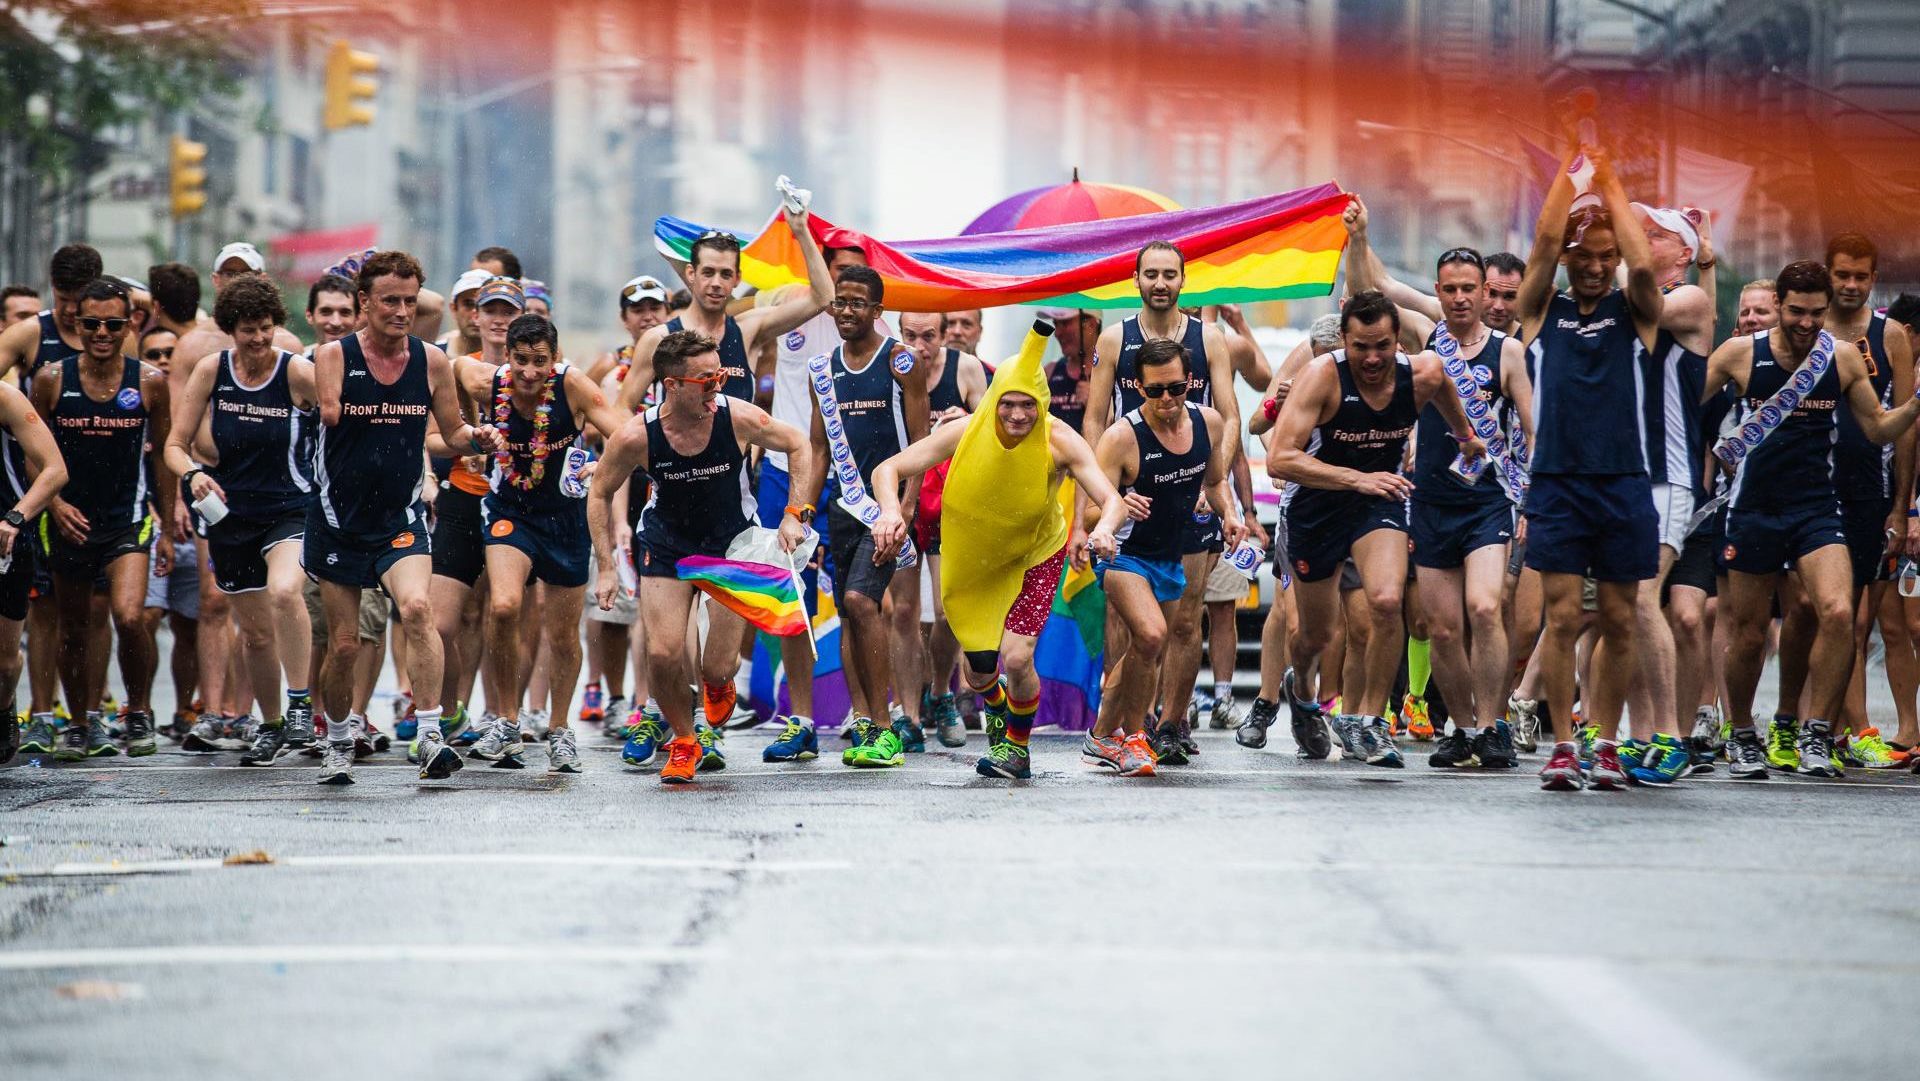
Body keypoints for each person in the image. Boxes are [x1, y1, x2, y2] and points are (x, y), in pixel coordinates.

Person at [869, 319, 1139, 779]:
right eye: (1007, 405)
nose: (1016, 416)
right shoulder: (967, 430)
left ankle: (1015, 748)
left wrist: (1105, 528)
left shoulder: (1060, 440)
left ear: (1042, 404)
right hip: (975, 555)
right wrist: (890, 511)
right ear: (994, 402)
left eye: (1027, 406)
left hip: (1036, 552)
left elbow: (1109, 497)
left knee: (1016, 657)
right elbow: (888, 469)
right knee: (978, 675)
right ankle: (996, 707)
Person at [1702, 261, 1920, 780]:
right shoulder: (1738, 354)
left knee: (1840, 614)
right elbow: (1681, 405)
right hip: (1753, 508)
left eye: (1816, 313)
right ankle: (1743, 735)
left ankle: (1816, 734)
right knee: (1750, 632)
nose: (1806, 323)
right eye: (1796, 311)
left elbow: (1876, 428)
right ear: (1777, 304)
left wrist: (1916, 405)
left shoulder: (1841, 358)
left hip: (1816, 508)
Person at [307, 251, 505, 785]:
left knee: (418, 609)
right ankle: (340, 739)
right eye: (389, 300)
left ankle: (431, 736)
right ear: (363, 302)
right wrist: (353, 409)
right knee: (344, 643)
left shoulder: (431, 362)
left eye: (409, 301)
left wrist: (477, 438)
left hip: (401, 516)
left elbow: (450, 432)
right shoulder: (333, 357)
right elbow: (328, 412)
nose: (400, 310)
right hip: (338, 519)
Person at [1345, 207, 1533, 768]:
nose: (1460, 299)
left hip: (1489, 500)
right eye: (1449, 289)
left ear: (1484, 291)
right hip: (1429, 499)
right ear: (1438, 292)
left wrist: (1535, 493)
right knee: (1442, 629)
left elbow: (1532, 424)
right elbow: (1369, 294)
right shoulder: (1426, 338)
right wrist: (1358, 236)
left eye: (1469, 289)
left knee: (1484, 606)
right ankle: (1467, 729)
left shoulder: (1510, 352)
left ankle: (1495, 723)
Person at [1266, 289, 1481, 768]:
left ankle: (1368, 723)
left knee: (1386, 602)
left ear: (1398, 341)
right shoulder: (1322, 377)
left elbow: (1443, 384)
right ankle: (1301, 690)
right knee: (1315, 636)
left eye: (1382, 345)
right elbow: (1280, 458)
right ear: (1343, 340)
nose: (1372, 358)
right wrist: (1356, 478)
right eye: (1361, 347)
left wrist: (1465, 435)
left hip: (1377, 501)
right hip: (1317, 505)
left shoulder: (1419, 371)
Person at [589, 329, 813, 784]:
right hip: (668, 547)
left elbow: (798, 444)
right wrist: (608, 567)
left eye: (721, 375)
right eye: (705, 380)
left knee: (716, 665)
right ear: (671, 385)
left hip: (732, 547)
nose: (718, 386)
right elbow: (599, 492)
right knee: (664, 651)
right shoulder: (637, 435)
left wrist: (794, 514)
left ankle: (717, 682)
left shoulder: (736, 418)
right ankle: (685, 740)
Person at [1509, 145, 1664, 792]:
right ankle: (1565, 745)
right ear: (1571, 261)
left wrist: (1612, 182)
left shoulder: (1640, 312)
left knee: (1622, 618)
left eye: (1607, 256)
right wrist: (1573, 178)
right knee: (1565, 617)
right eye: (1586, 256)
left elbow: (1644, 260)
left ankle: (1605, 742)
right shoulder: (1543, 310)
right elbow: (1544, 242)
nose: (1598, 266)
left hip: (1625, 481)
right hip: (1559, 484)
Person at [1083, 242, 1244, 760]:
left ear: (1183, 279)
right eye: (1150, 274)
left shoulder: (1209, 337)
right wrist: (1101, 498)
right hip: (1131, 488)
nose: (1160, 283)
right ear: (1135, 280)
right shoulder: (1115, 338)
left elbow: (1228, 416)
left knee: (1183, 617)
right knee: (1129, 622)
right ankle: (1128, 725)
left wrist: (1210, 484)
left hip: (1190, 490)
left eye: (1169, 274)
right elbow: (1095, 418)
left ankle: (1170, 725)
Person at [455, 312, 627, 771]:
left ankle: (559, 728)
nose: (529, 373)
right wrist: (472, 436)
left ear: (555, 360)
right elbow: (456, 371)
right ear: (507, 358)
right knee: (505, 605)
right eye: (521, 361)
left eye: (540, 361)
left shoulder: (574, 388)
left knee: (562, 631)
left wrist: (602, 466)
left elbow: (628, 435)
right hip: (510, 511)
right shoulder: (488, 382)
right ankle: (507, 721)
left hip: (566, 518)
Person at [164, 276, 320, 766]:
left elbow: (341, 423)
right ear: (231, 330)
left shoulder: (296, 372)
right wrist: (192, 476)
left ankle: (299, 706)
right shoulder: (212, 370)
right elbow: (175, 444)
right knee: (253, 633)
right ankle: (270, 724)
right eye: (248, 330)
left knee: (285, 592)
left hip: (290, 508)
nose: (258, 340)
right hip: (230, 514)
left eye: (266, 328)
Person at [31, 278, 174, 759]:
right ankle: (79, 723)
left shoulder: (150, 382)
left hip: (129, 521)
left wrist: (170, 526)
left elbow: (161, 460)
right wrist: (53, 504)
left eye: (113, 324)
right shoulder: (51, 380)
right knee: (72, 625)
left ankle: (137, 711)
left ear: (130, 323)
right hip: (69, 519)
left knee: (129, 616)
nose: (101, 333)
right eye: (91, 323)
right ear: (76, 322)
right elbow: (36, 454)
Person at [798, 264, 930, 765]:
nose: (846, 311)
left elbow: (922, 443)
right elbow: (816, 447)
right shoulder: (821, 370)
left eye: (857, 303)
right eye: (840, 301)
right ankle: (863, 722)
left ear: (878, 311)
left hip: (887, 511)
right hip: (841, 507)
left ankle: (885, 727)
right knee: (853, 617)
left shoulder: (901, 361)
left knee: (859, 600)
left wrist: (907, 507)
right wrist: (802, 510)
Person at [423, 274, 520, 748]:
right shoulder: (457, 367)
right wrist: (467, 443)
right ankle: (453, 712)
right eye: (492, 311)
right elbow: (433, 438)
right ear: (474, 317)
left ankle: (507, 719)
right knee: (439, 623)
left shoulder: (544, 369)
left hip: (520, 504)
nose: (500, 320)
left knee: (504, 613)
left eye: (510, 312)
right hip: (464, 497)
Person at [615, 213, 831, 412]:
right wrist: (645, 451)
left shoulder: (749, 329)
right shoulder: (659, 338)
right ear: (691, 273)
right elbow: (622, 409)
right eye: (708, 273)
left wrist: (800, 230)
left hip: (736, 455)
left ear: (737, 278)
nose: (716, 283)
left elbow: (822, 297)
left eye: (725, 274)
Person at [891, 310, 988, 745]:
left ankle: (941, 692)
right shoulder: (891, 365)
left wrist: (961, 425)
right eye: (910, 335)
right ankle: (909, 716)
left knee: (948, 611)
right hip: (902, 502)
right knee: (904, 612)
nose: (920, 346)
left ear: (945, 333)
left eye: (928, 335)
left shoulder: (964, 368)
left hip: (950, 502)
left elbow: (994, 436)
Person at [0, 368, 68, 762]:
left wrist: (16, 516)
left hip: (7, 535)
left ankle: (5, 701)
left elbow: (55, 469)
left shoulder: (7, 399)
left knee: (5, 661)